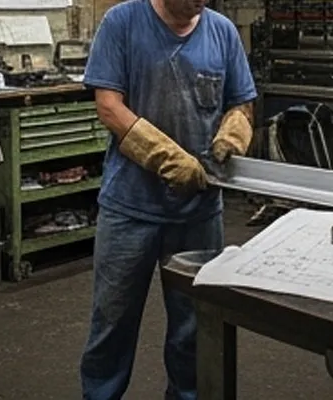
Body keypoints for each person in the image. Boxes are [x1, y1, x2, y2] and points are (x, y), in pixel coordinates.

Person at [79, 0, 257, 398]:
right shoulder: (122, 23)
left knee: (194, 329)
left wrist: (234, 130)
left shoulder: (222, 31)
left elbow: (241, 102)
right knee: (112, 323)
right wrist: (165, 156)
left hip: (199, 212)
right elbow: (108, 106)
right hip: (130, 209)